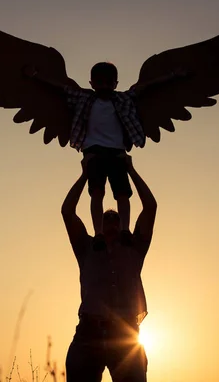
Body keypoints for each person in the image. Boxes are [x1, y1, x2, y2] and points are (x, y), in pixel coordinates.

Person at [25, 62, 183, 250]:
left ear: (116, 84)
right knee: (96, 192)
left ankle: (125, 229)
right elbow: (61, 89)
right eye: (100, 83)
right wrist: (35, 76)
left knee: (123, 193)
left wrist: (173, 75)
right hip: (94, 150)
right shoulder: (84, 98)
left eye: (109, 83)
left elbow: (146, 87)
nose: (104, 87)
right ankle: (98, 232)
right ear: (92, 83)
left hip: (117, 151)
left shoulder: (123, 99)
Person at [60, 153, 157, 382]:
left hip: (125, 335)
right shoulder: (87, 247)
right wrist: (85, 175)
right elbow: (67, 211)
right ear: (99, 225)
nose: (112, 222)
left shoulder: (134, 247)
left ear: (123, 222)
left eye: (116, 219)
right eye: (107, 218)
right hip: (88, 335)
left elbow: (150, 206)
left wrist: (130, 170)